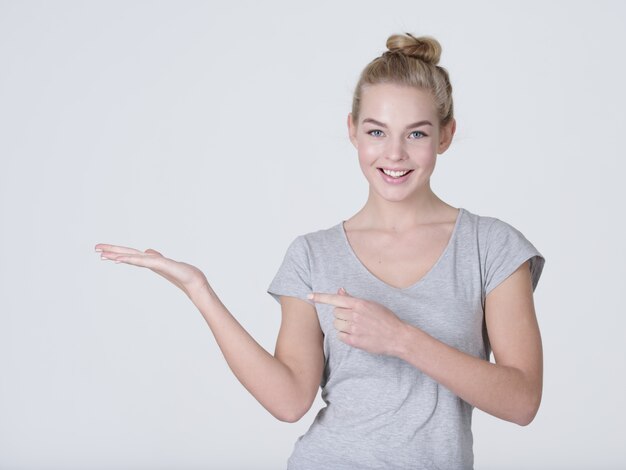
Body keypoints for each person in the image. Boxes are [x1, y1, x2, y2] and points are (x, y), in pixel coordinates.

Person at [95, 33, 545, 470]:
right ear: (353, 131)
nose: (394, 154)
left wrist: (401, 339)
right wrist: (199, 290)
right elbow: (289, 401)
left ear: (445, 136)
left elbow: (522, 401)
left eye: (416, 134)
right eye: (376, 131)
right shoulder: (313, 254)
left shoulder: (492, 246)